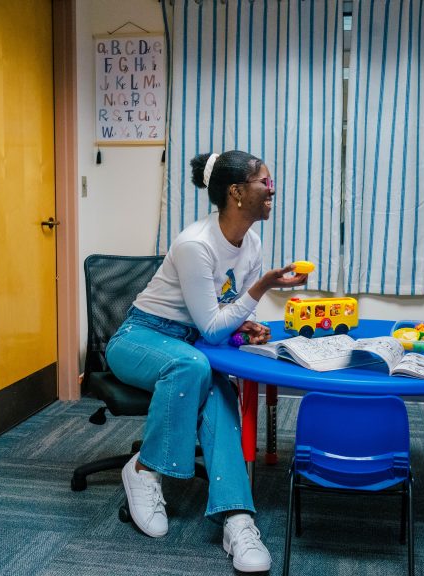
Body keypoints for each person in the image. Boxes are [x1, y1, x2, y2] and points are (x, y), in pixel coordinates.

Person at [105, 150, 307, 572]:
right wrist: (261, 290)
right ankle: (144, 470)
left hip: (192, 342)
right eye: (264, 183)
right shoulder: (194, 244)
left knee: (220, 394)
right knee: (193, 367)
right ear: (236, 192)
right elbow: (214, 325)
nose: (272, 190)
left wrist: (243, 325)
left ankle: (237, 518)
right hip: (140, 339)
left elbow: (222, 310)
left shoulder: (250, 240)